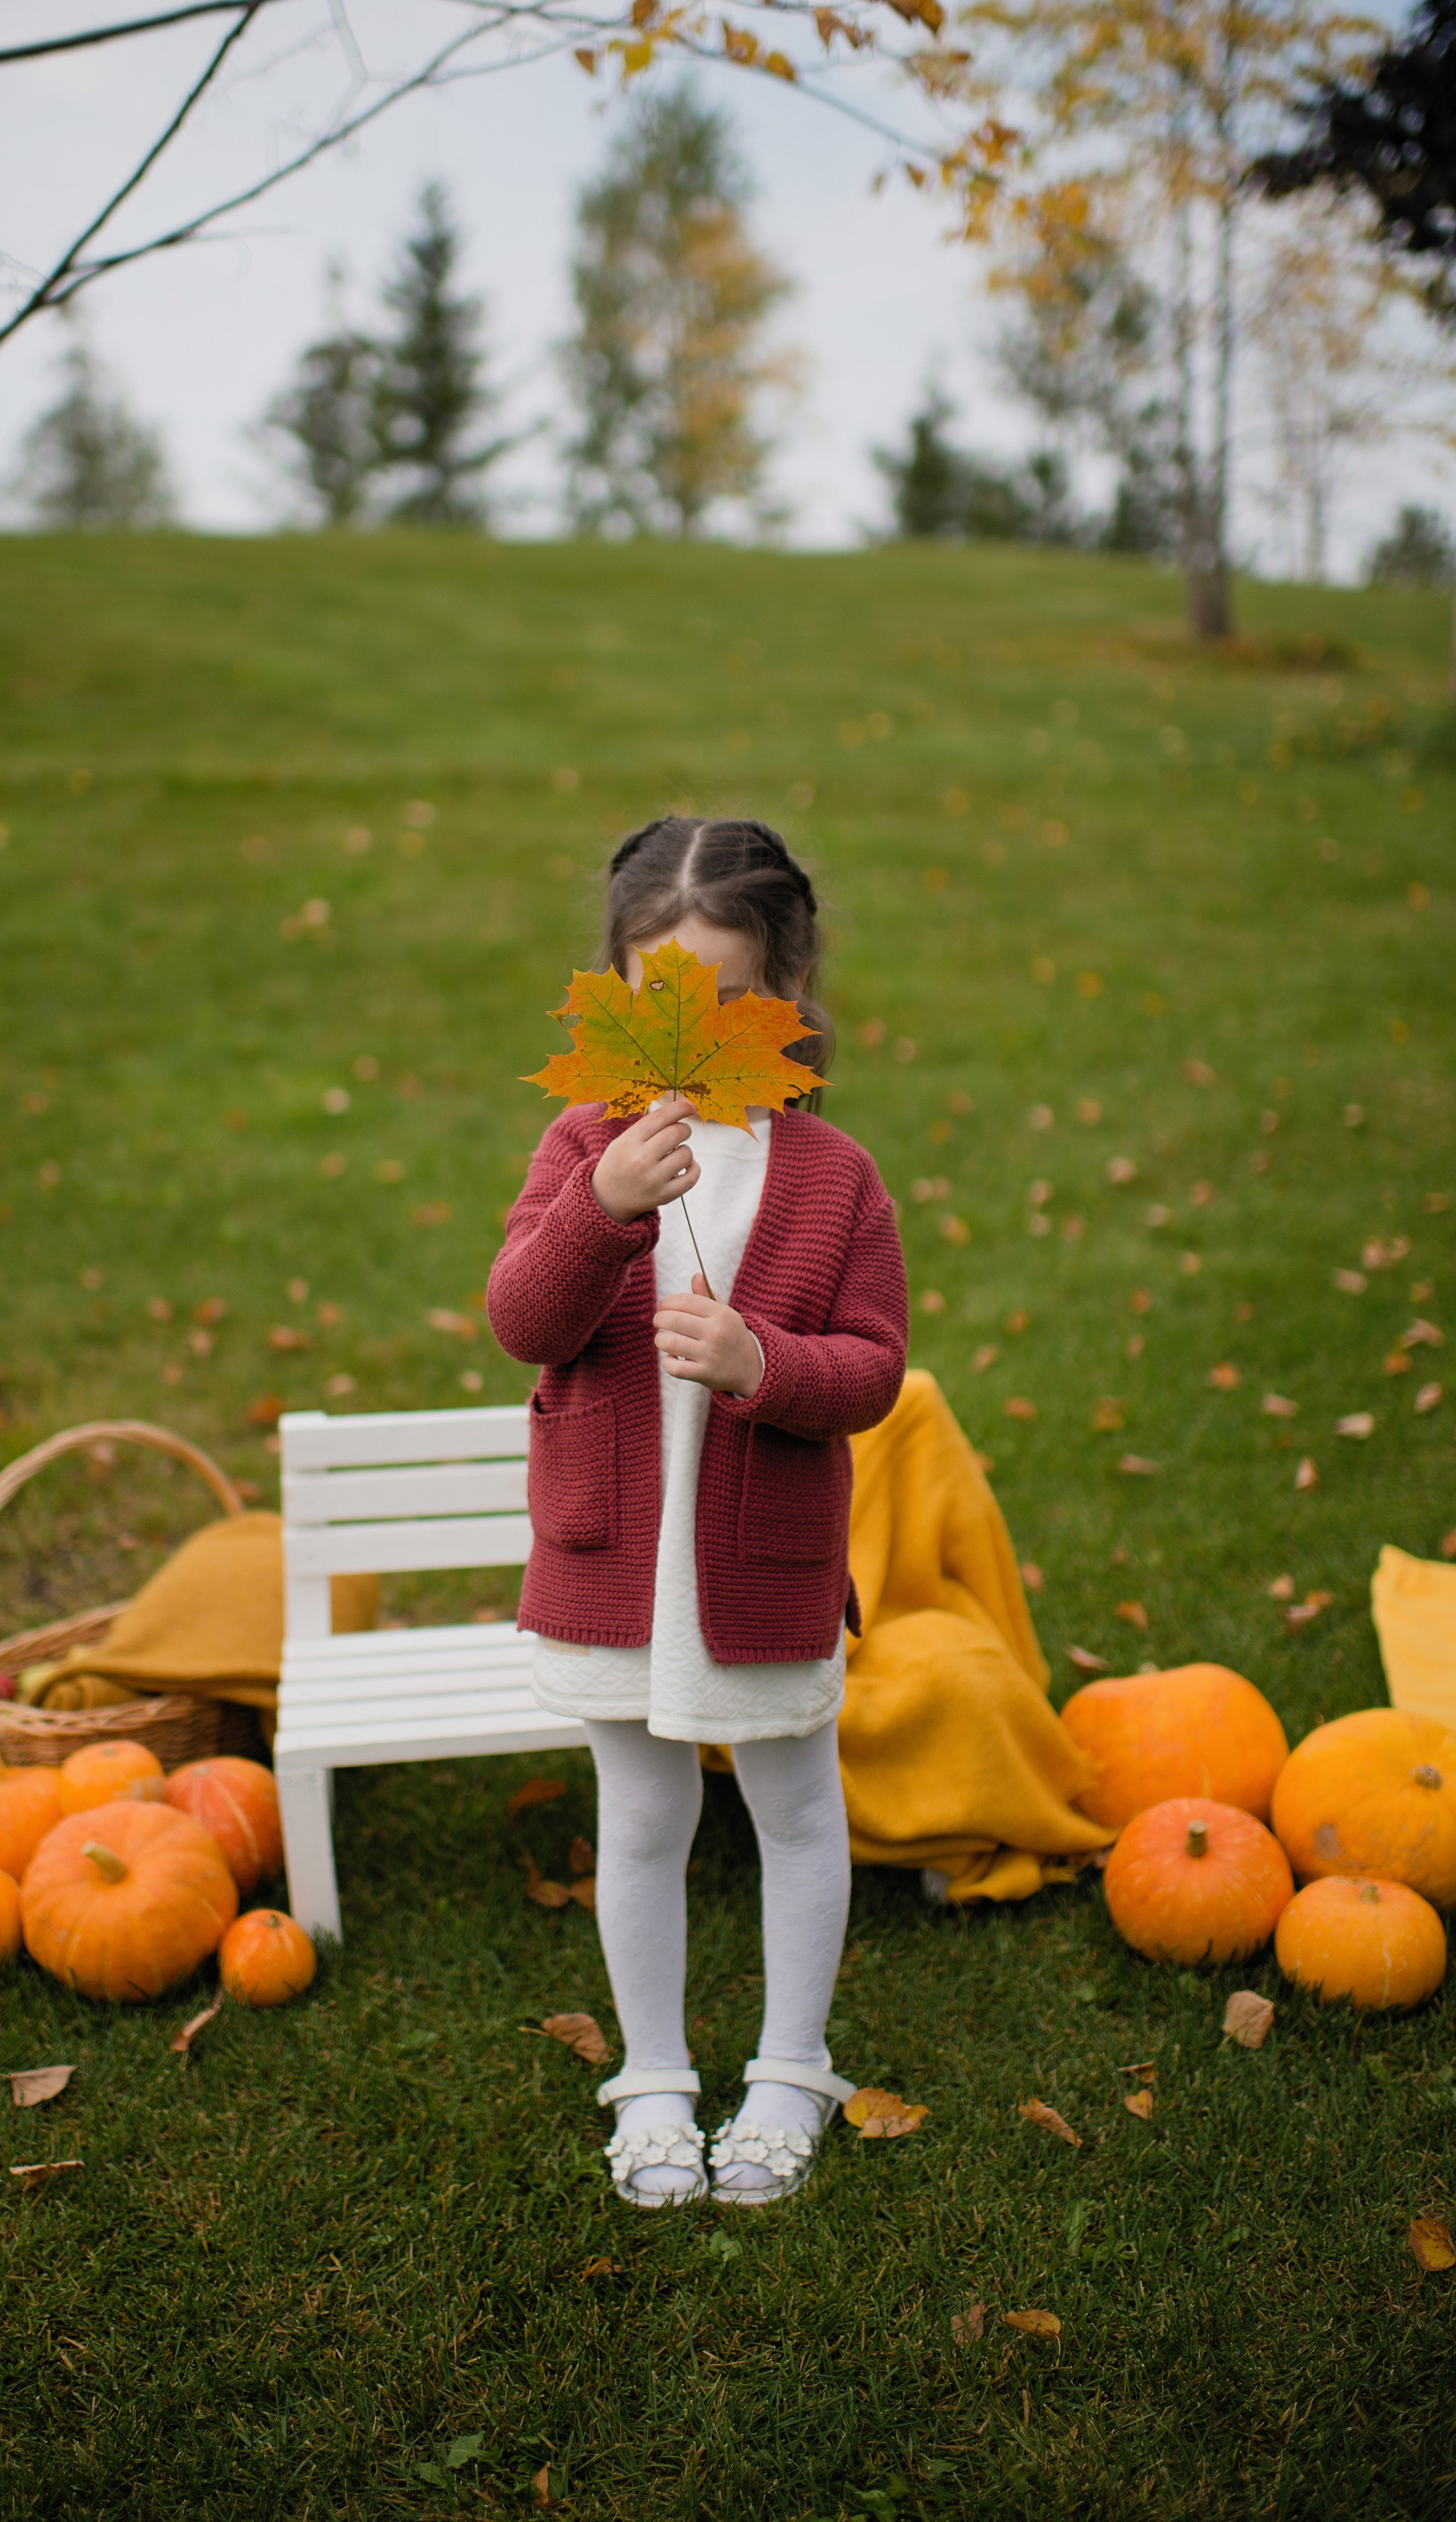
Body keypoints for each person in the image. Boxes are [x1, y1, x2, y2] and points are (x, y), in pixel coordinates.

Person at [488, 816, 908, 2208]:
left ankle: (790, 2062)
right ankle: (653, 2077)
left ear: (782, 1000)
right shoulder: (581, 1143)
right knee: (643, 1810)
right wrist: (599, 1207)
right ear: (609, 985)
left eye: (723, 1003)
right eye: (652, 994)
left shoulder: (832, 1179)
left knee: (792, 1800)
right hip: (617, 1554)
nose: (686, 1032)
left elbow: (869, 1371)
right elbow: (523, 1321)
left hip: (759, 1556)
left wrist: (761, 1365)